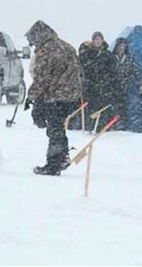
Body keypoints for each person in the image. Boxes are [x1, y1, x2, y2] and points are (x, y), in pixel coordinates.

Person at [24, 20, 82, 176]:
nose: (33, 45)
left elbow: (42, 78)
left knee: (54, 129)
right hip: (71, 95)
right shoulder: (67, 46)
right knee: (59, 127)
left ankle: (54, 163)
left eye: (33, 41)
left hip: (55, 96)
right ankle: (62, 157)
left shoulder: (47, 50)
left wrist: (31, 97)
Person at [78, 32, 116, 131]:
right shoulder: (88, 53)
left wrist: (109, 81)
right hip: (91, 85)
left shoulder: (108, 54)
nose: (98, 41)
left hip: (104, 86)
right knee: (91, 107)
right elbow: (82, 66)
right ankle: (90, 126)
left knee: (104, 107)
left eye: (99, 39)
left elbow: (113, 70)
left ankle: (102, 126)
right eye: (96, 39)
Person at [112, 37, 138, 130]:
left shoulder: (129, 59)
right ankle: (113, 124)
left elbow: (134, 73)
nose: (121, 47)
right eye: (120, 45)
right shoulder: (111, 57)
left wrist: (127, 80)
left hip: (126, 88)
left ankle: (124, 125)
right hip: (113, 87)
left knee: (124, 107)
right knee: (113, 107)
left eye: (123, 45)